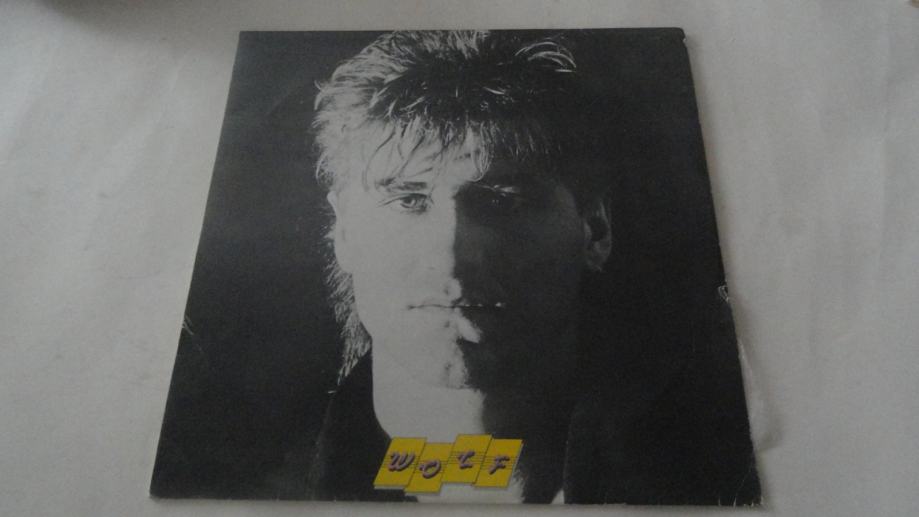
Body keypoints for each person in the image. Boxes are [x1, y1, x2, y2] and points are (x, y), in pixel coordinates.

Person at [305, 30, 760, 504]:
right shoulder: (268, 473)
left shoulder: (728, 467)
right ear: (344, 231)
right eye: (407, 200)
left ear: (595, 230)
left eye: (503, 201)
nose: (451, 255)